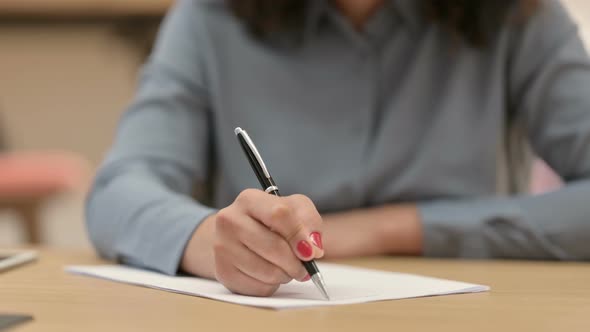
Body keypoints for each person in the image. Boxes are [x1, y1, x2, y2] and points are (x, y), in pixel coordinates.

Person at [86, 0, 590, 297]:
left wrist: (391, 229)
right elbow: (119, 190)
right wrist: (211, 243)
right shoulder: (210, 18)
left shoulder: (522, 17)